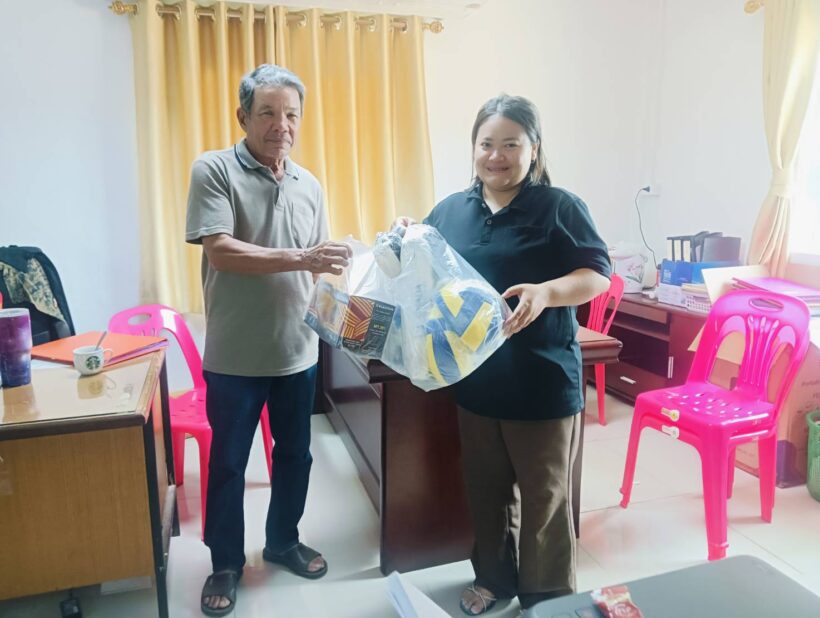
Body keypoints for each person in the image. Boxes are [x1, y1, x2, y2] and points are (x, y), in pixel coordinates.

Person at [398, 94, 610, 615]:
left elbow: (597, 274)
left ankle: (547, 599)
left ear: (533, 149)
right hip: (476, 381)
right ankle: (493, 580)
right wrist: (407, 237)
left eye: (510, 144)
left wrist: (547, 292)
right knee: (486, 492)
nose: (496, 156)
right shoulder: (452, 210)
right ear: (473, 148)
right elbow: (426, 269)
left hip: (542, 382)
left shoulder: (559, 207)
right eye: (486, 144)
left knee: (544, 499)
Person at [185, 63, 352, 617]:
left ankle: (283, 540)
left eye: (291, 115)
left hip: (297, 351)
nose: (282, 125)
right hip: (235, 355)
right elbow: (221, 251)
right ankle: (225, 563)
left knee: (296, 456)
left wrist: (347, 291)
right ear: (243, 117)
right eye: (268, 113)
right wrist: (304, 257)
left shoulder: (310, 184)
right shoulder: (214, 169)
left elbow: (318, 266)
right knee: (230, 464)